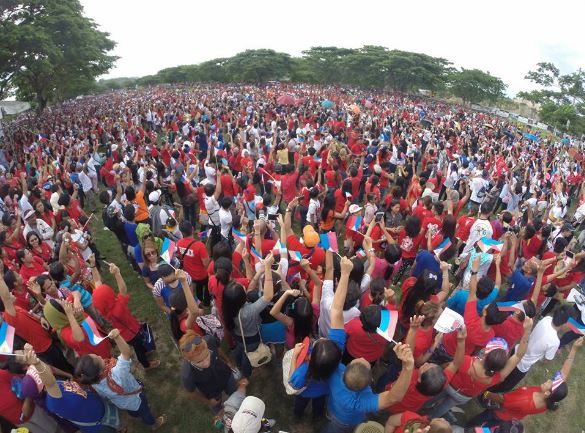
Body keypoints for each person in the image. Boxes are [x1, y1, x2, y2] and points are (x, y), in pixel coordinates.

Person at [468, 337, 583, 427]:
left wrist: (486, 394)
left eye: (550, 382)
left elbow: (502, 400)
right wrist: (574, 349)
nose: (548, 380)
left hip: (500, 413)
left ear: (548, 393)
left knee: (482, 421)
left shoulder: (524, 401)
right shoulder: (549, 398)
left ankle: (468, 428)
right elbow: (564, 374)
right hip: (514, 411)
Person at [74, 328, 166, 430]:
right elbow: (126, 353)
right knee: (145, 411)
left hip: (122, 403)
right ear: (99, 372)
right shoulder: (117, 373)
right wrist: (117, 337)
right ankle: (153, 424)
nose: (99, 356)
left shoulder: (92, 381)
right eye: (97, 357)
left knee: (134, 411)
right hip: (136, 399)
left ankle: (136, 414)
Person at [21, 343, 121, 433]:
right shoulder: (54, 401)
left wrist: (35, 359)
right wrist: (37, 363)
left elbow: (49, 373)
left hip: (101, 409)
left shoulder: (58, 384)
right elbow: (50, 382)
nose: (46, 372)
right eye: (41, 377)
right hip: (100, 425)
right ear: (42, 388)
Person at [91, 262, 159, 370]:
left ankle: (145, 351)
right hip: (133, 333)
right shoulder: (118, 307)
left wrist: (93, 265)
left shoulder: (106, 311)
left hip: (125, 335)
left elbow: (97, 282)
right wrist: (117, 274)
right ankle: (146, 365)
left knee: (139, 345)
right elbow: (123, 289)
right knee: (139, 349)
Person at [179, 330, 239, 413]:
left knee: (234, 393)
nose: (206, 363)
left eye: (207, 355)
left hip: (226, 375)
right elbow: (191, 392)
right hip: (211, 391)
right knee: (218, 408)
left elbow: (218, 349)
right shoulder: (187, 374)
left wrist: (228, 361)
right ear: (189, 360)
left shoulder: (210, 340)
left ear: (207, 346)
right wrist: (208, 401)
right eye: (200, 361)